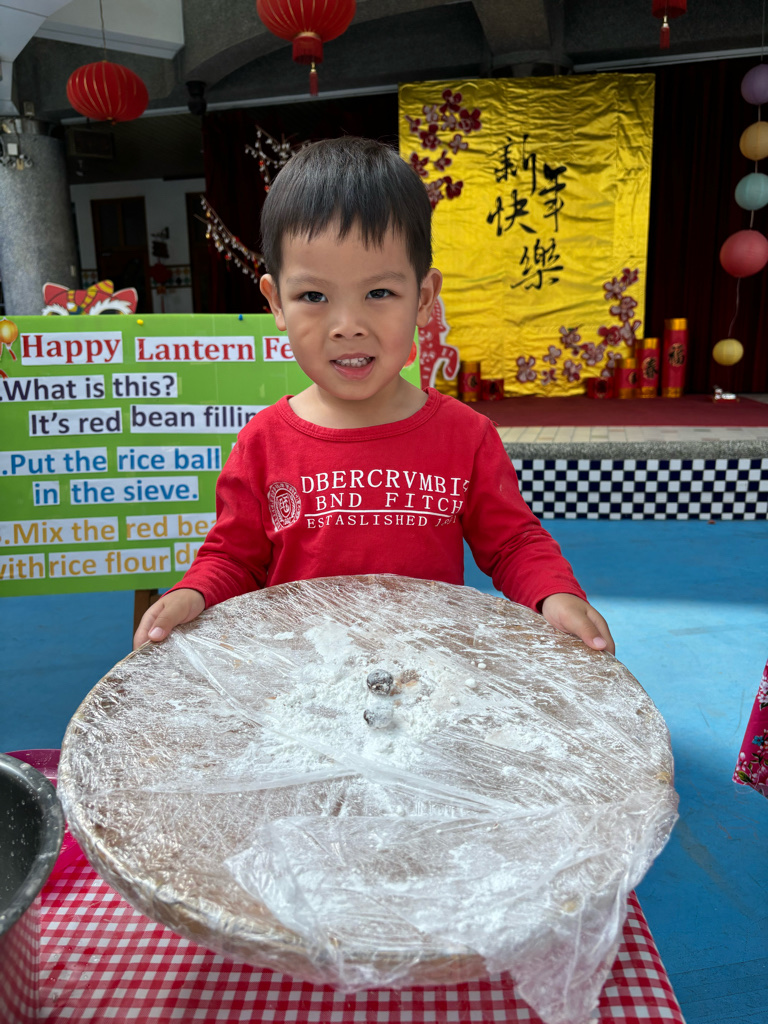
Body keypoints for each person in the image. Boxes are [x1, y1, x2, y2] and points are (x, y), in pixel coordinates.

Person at [133, 137, 614, 655]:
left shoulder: (466, 436)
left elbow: (514, 543)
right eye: (313, 296)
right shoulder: (261, 443)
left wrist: (555, 593)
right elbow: (234, 558)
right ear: (276, 302)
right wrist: (194, 592)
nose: (348, 325)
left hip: (426, 672)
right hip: (304, 674)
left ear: (423, 299)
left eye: (379, 293)